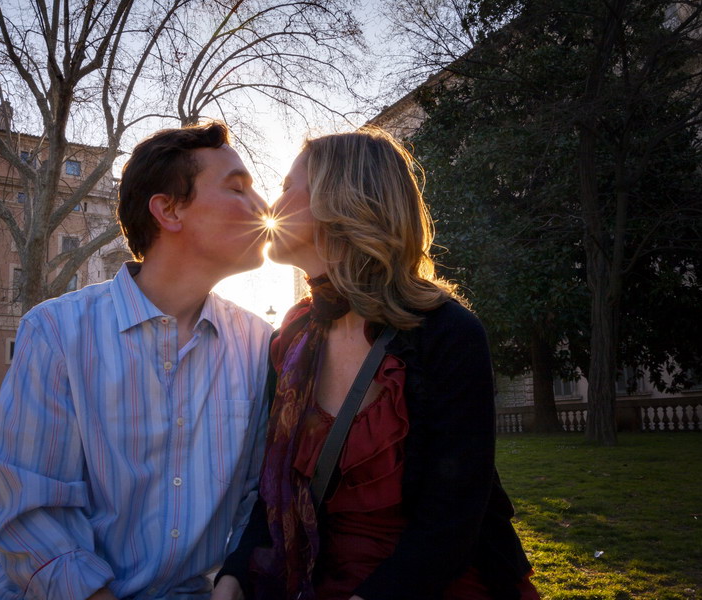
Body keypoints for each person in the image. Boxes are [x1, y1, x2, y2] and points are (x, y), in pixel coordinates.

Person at [212, 127, 538, 600]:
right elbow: (274, 493)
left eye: (286, 189)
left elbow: (452, 521)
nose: (269, 207)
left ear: (337, 200)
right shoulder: (291, 339)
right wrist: (235, 575)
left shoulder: (448, 335)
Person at [0, 121, 274, 600]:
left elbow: (255, 499)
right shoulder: (56, 331)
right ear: (169, 210)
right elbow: (34, 513)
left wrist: (235, 577)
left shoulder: (260, 345)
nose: (264, 207)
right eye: (238, 189)